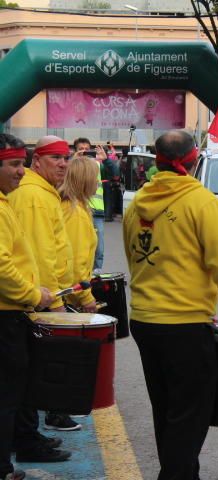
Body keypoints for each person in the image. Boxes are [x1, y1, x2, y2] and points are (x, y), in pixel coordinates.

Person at [123, 130, 218, 480]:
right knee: (189, 415)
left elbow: (135, 260)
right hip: (186, 324)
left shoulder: (137, 205)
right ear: (193, 162)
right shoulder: (202, 202)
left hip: (145, 321)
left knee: (166, 409)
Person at [8, 135, 77, 454]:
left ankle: (26, 437)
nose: (63, 164)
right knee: (22, 379)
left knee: (24, 377)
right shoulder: (34, 196)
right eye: (55, 158)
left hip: (32, 298)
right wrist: (54, 302)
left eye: (66, 158)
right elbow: (40, 254)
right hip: (30, 302)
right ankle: (24, 440)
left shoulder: (42, 193)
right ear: (37, 162)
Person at [0, 134, 57, 480]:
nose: (21, 172)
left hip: (11, 310)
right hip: (6, 314)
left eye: (22, 164)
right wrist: (34, 294)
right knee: (7, 396)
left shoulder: (7, 203)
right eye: (14, 165)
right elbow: (2, 265)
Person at [58, 156, 99, 313]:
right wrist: (86, 297)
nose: (98, 182)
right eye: (95, 177)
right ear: (85, 180)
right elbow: (75, 261)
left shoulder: (67, 205)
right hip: (69, 297)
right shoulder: (75, 213)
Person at [73, 138, 111, 270]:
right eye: (80, 149)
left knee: (98, 249)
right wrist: (72, 161)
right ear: (75, 151)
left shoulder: (98, 165)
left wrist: (106, 160)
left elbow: (115, 175)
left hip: (97, 213)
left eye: (86, 149)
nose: (84, 152)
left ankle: (97, 275)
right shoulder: (72, 166)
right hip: (76, 210)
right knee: (79, 246)